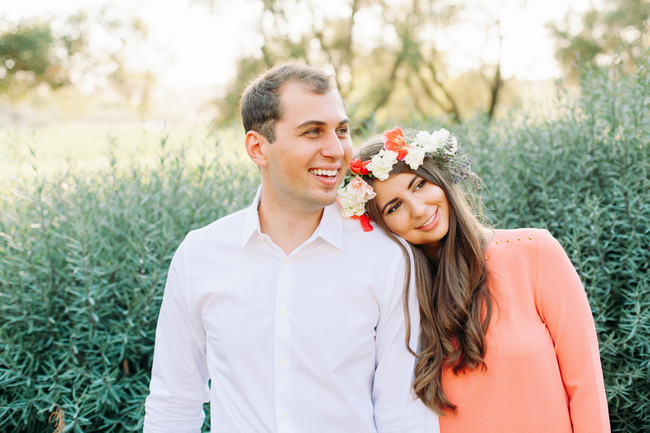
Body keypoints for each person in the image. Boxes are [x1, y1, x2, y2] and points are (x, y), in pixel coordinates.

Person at [143, 65, 438, 432]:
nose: (336, 150)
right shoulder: (200, 255)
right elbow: (174, 403)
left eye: (341, 131)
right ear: (257, 148)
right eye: (313, 131)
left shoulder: (388, 258)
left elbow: (403, 413)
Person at [337, 126, 610, 433]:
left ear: (440, 178)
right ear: (379, 224)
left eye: (419, 185)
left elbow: (586, 387)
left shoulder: (535, 253)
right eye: (394, 206)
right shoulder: (400, 300)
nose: (417, 209)